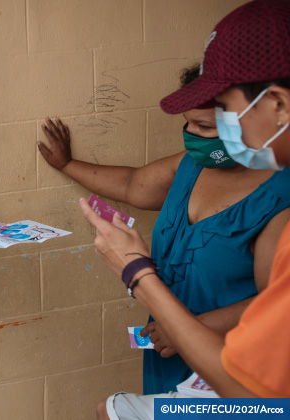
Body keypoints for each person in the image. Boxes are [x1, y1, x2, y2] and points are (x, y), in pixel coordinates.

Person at [81, 1, 290, 418]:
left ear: (279, 105)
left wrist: (136, 272)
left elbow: (254, 400)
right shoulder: (191, 167)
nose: (210, 134)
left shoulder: (280, 209)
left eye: (225, 113)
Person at [38, 65, 290, 395]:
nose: (189, 133)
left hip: (230, 366)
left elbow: (275, 308)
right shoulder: (193, 164)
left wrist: (148, 284)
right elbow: (132, 184)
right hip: (169, 348)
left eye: (203, 125)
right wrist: (67, 165)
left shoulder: (278, 202)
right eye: (186, 123)